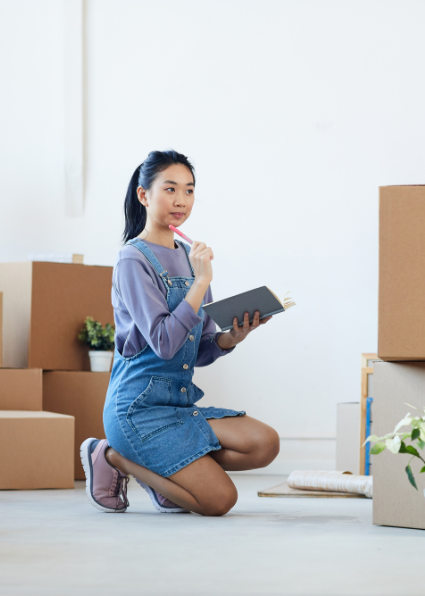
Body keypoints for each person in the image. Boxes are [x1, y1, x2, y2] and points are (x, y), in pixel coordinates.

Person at [80, 150, 279, 516]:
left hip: (178, 405)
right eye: (170, 189)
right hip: (137, 411)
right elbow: (164, 343)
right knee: (220, 501)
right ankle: (110, 455)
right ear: (144, 195)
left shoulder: (190, 255)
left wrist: (231, 338)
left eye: (189, 191)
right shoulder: (132, 260)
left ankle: (170, 477)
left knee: (265, 444)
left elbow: (198, 349)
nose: (181, 200)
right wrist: (201, 281)